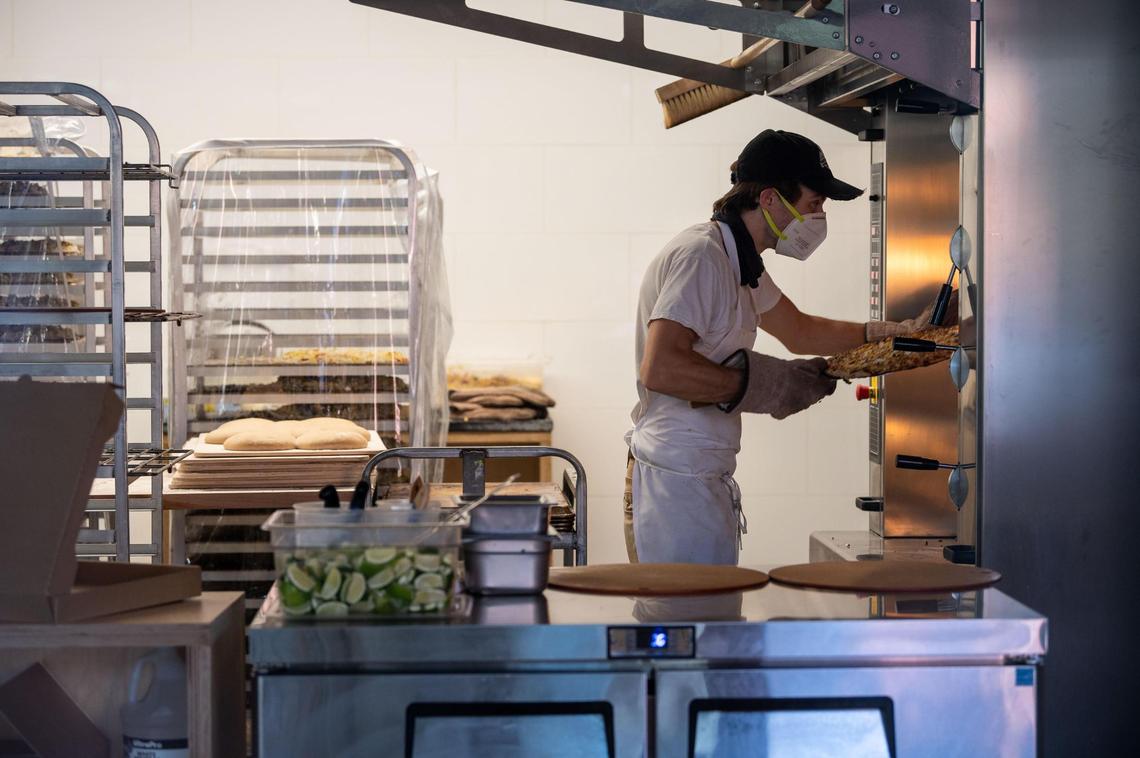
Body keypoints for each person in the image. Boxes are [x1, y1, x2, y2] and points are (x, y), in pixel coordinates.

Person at [624, 129, 949, 565]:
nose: (819, 218)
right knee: (692, 622)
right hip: (675, 483)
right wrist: (769, 385)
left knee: (710, 619)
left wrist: (893, 332)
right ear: (771, 200)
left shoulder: (739, 260)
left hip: (699, 477)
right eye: (814, 204)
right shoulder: (703, 257)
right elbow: (661, 369)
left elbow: (800, 331)